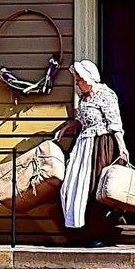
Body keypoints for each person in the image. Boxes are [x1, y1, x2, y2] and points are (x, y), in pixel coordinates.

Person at [56, 59, 129, 245]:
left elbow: (115, 124)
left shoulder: (106, 95)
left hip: (101, 145)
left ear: (89, 79)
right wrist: (66, 127)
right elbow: (81, 121)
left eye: (79, 80)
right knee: (73, 187)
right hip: (83, 145)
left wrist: (122, 148)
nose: (77, 83)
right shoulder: (83, 98)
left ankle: (99, 233)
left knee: (95, 187)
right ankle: (79, 232)